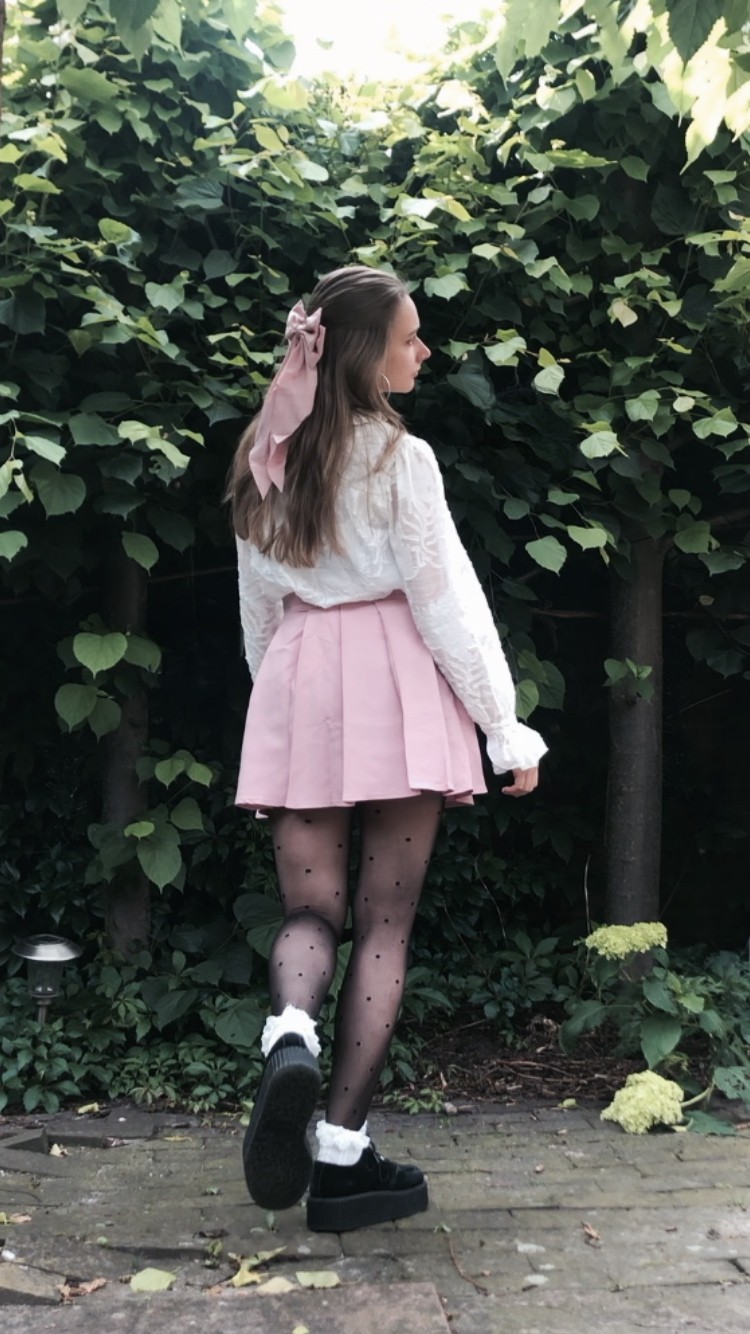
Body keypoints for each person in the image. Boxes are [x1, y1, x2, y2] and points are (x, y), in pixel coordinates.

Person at [227, 265, 547, 1233]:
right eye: (410, 337)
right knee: (384, 923)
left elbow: (258, 602)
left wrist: (278, 700)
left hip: (302, 676)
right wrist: (503, 724)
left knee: (309, 909)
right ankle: (340, 1156)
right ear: (367, 353)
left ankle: (289, 1031)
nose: (423, 351)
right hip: (396, 679)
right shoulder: (403, 459)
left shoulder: (267, 452)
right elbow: (445, 600)